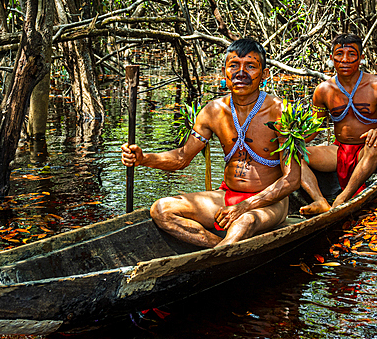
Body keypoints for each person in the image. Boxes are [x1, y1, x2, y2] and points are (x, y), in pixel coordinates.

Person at [120, 38, 301, 247]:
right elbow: (181, 158)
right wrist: (144, 159)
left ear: (265, 74)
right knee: (161, 210)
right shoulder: (213, 111)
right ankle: (218, 249)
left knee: (243, 222)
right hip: (226, 196)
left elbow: (292, 179)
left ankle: (217, 256)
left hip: (269, 202)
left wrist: (245, 206)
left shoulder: (280, 112)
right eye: (234, 66)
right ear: (225, 71)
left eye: (250, 66)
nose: (241, 73)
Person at [299, 33, 377, 215]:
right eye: (339, 54)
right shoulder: (323, 90)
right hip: (339, 151)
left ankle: (343, 198)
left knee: (375, 143)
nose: (345, 60)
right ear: (332, 58)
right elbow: (313, 129)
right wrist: (290, 138)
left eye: (352, 54)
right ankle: (320, 200)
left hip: (369, 151)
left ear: (361, 58)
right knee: (293, 154)